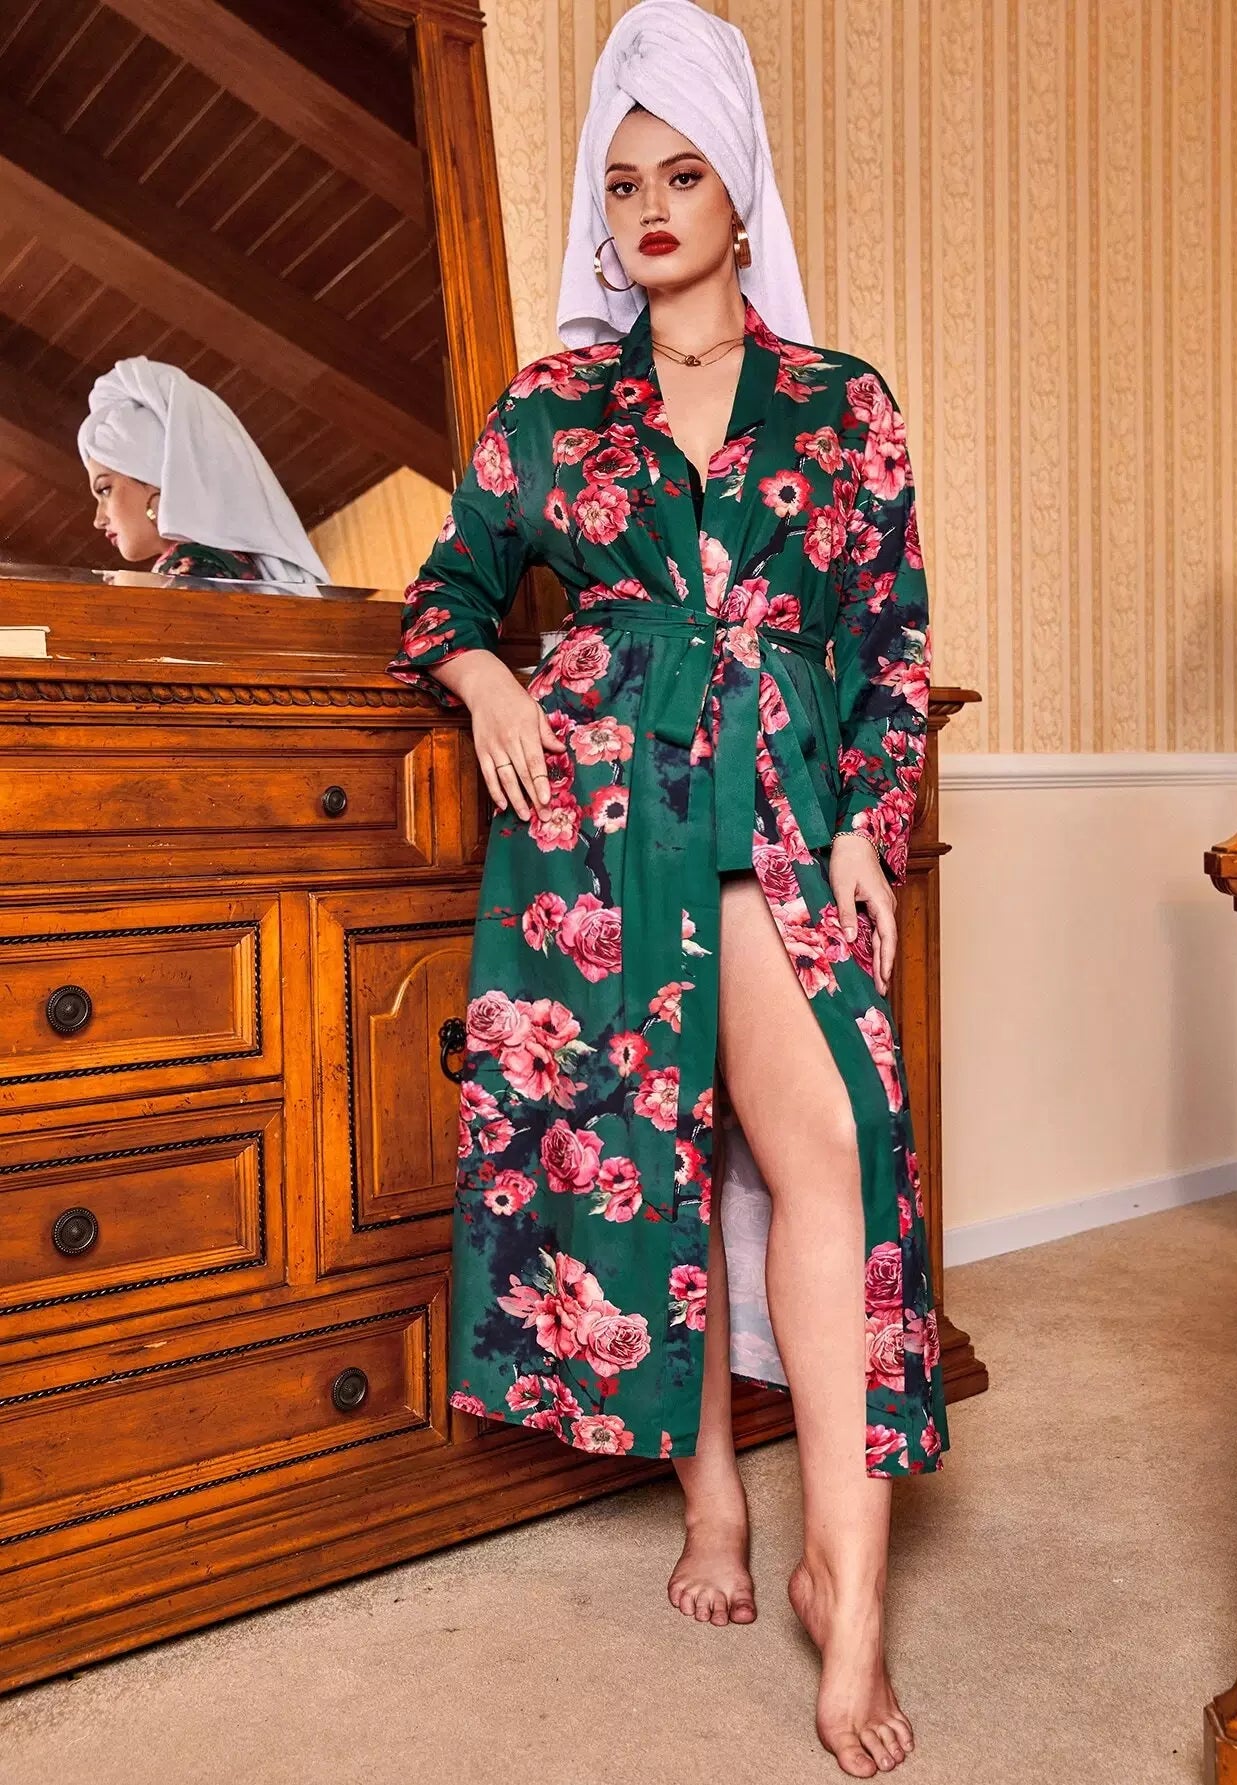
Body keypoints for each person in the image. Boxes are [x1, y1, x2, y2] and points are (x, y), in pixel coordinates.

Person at [387, 2, 943, 1774]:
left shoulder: (842, 404)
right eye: (622, 181)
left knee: (833, 1147)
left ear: (738, 186)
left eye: (683, 175)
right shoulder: (551, 408)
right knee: (662, 1159)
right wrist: (488, 680)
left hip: (778, 806)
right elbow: (445, 591)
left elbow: (891, 645)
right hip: (599, 823)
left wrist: (865, 827)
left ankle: (848, 1591)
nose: (648, 208)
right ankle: (714, 1502)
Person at [77, 356, 329, 586]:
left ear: (158, 477)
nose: (99, 520)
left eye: (105, 489)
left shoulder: (193, 565)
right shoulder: (225, 564)